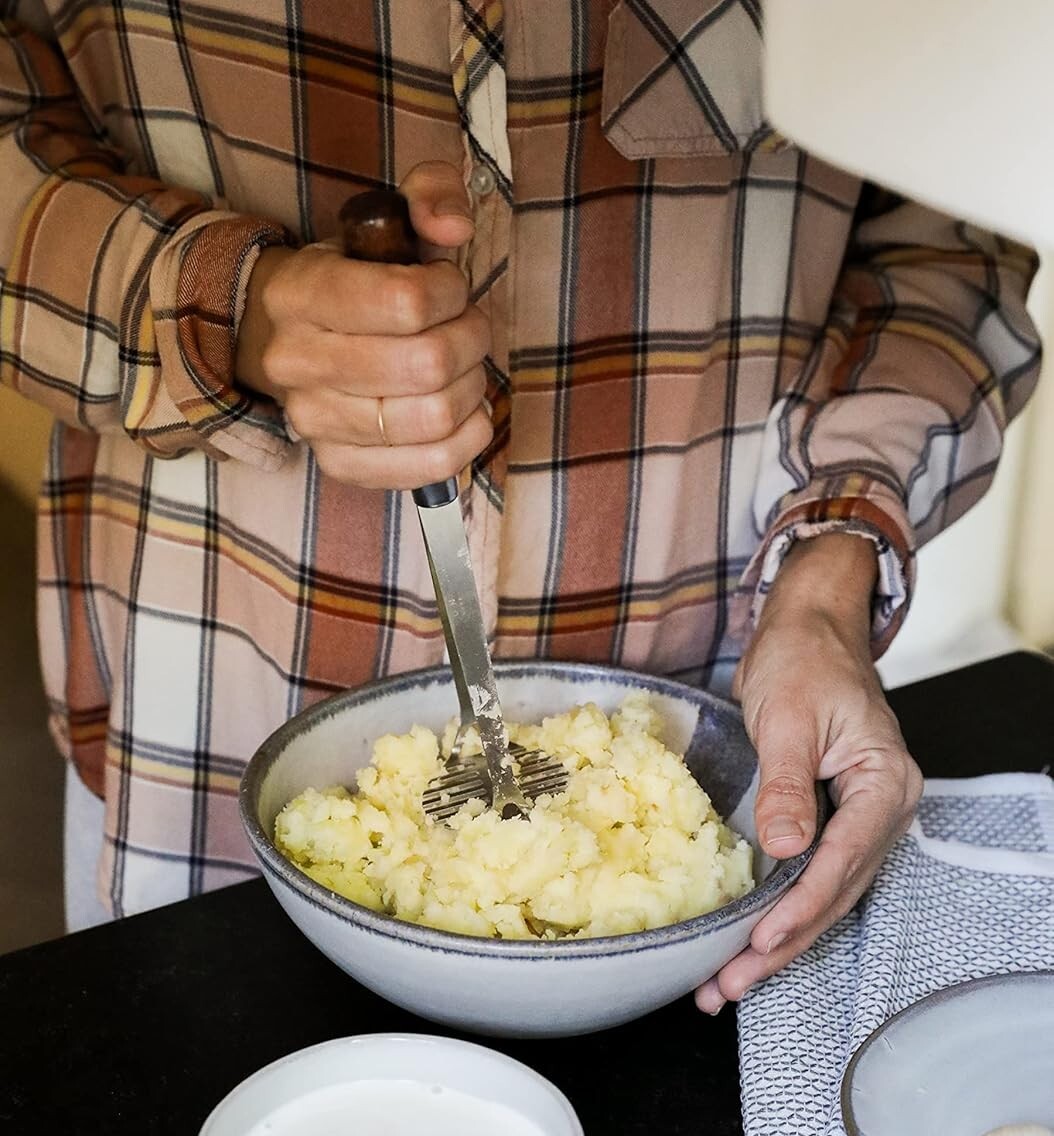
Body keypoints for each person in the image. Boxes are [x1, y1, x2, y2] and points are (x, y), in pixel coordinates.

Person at [0, 3, 1039, 1013]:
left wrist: (825, 584)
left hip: (715, 728)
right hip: (204, 719)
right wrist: (223, 310)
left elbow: (944, 242)